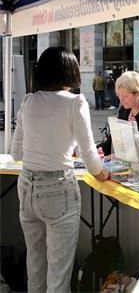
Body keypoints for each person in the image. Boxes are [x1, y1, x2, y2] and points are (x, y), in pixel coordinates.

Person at [10, 47, 110, 292]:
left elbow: (16, 154)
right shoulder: (75, 102)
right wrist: (103, 174)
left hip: (27, 188)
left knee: (35, 266)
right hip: (58, 191)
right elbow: (89, 156)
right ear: (71, 71)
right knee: (59, 274)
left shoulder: (28, 101)